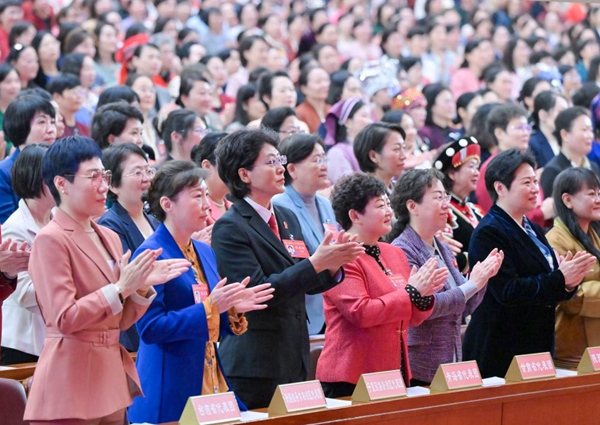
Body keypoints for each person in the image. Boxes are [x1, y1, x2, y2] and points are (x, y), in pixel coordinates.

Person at [24, 136, 190, 425]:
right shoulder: (50, 239)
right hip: (70, 375)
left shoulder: (108, 236)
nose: (103, 186)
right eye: (93, 177)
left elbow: (120, 320)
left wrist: (139, 286)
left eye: (105, 176)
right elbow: (64, 317)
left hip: (110, 372)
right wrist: (120, 288)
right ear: (62, 183)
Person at [212, 129, 364, 409]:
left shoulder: (286, 217)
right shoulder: (229, 227)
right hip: (256, 364)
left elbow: (306, 280)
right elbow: (257, 291)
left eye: (279, 159)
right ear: (244, 175)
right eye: (271, 162)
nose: (281, 168)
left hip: (293, 353)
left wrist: (332, 265)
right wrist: (317, 262)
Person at [128, 161, 273, 424]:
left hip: (211, 379)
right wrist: (211, 307)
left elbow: (211, 314)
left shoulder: (204, 250)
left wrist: (232, 309)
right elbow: (150, 329)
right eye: (197, 195)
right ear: (167, 204)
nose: (208, 203)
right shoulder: (150, 253)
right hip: (171, 383)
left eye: (207, 194)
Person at [463, 149, 596, 378]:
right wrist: (560, 279)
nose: (536, 188)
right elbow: (507, 292)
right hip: (502, 350)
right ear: (500, 188)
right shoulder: (489, 232)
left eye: (535, 180)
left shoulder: (532, 228)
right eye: (527, 182)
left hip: (536, 345)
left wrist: (568, 284)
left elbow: (549, 288)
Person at [316, 173, 447, 396]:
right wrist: (412, 292)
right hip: (351, 375)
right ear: (355, 215)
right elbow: (361, 312)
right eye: (380, 205)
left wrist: (424, 295)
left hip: (394, 369)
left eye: (388, 203)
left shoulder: (393, 253)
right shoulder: (340, 255)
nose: (389, 211)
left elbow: (412, 317)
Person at [389, 168, 502, 385]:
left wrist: (482, 278)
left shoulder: (442, 246)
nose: (445, 204)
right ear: (412, 206)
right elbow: (425, 306)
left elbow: (464, 306)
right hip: (421, 363)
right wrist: (473, 283)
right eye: (437, 197)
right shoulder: (402, 249)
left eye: (445, 197)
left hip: (451, 359)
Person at [98, 143, 160, 352]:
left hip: (159, 320)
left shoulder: (155, 220)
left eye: (147, 170)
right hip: (133, 329)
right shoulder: (110, 224)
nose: (146, 178)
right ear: (113, 185)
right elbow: (126, 277)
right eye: (137, 172)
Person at [272, 134, 335, 335]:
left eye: (324, 158)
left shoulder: (325, 204)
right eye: (316, 160)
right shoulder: (280, 205)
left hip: (330, 310)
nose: (324, 165)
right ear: (292, 169)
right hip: (301, 314)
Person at [1, 144, 53, 365]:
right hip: (25, 343)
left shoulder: (58, 217)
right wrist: (68, 278)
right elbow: (23, 294)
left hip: (51, 335)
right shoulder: (16, 227)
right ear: (36, 178)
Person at [547, 168, 600, 361]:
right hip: (571, 349)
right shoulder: (555, 240)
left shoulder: (594, 235)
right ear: (567, 200)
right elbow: (570, 296)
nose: (598, 199)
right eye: (591, 194)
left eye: (599, 193)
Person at [0, 95, 56, 223]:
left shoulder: (60, 164)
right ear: (21, 126)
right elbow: (6, 222)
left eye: (52, 122)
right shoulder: (3, 173)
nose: (51, 129)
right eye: (42, 122)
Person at [433, 137, 485, 273]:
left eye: (477, 167)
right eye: (471, 166)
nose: (477, 172)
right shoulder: (442, 210)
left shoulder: (476, 209)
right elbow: (450, 257)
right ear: (452, 173)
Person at [541, 107, 600, 198]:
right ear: (565, 135)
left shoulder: (594, 167)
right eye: (584, 130)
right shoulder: (553, 171)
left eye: (591, 130)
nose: (590, 136)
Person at [324, 98, 372, 183]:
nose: (370, 121)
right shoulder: (337, 153)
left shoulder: (371, 148)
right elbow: (347, 187)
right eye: (364, 116)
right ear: (348, 122)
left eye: (370, 117)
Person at [191, 132, 232, 223]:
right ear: (207, 166)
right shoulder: (197, 211)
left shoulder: (235, 208)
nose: (235, 170)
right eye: (230, 164)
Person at [353, 122, 407, 193]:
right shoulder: (363, 195)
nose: (404, 156)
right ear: (373, 156)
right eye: (396, 149)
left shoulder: (400, 190)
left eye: (404, 147)